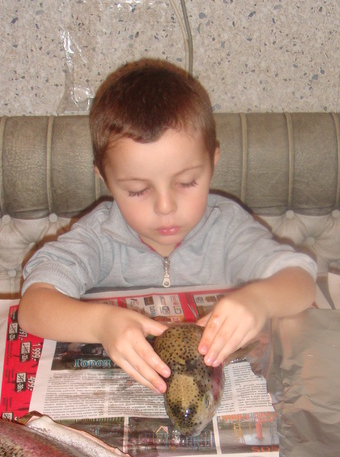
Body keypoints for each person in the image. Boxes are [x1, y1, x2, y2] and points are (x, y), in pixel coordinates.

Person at [18, 58, 317, 394]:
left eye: (186, 182)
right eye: (137, 190)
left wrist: (259, 301)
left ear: (212, 164)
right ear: (105, 179)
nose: (165, 207)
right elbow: (33, 306)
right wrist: (102, 324)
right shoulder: (99, 237)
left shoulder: (227, 227)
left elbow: (301, 281)